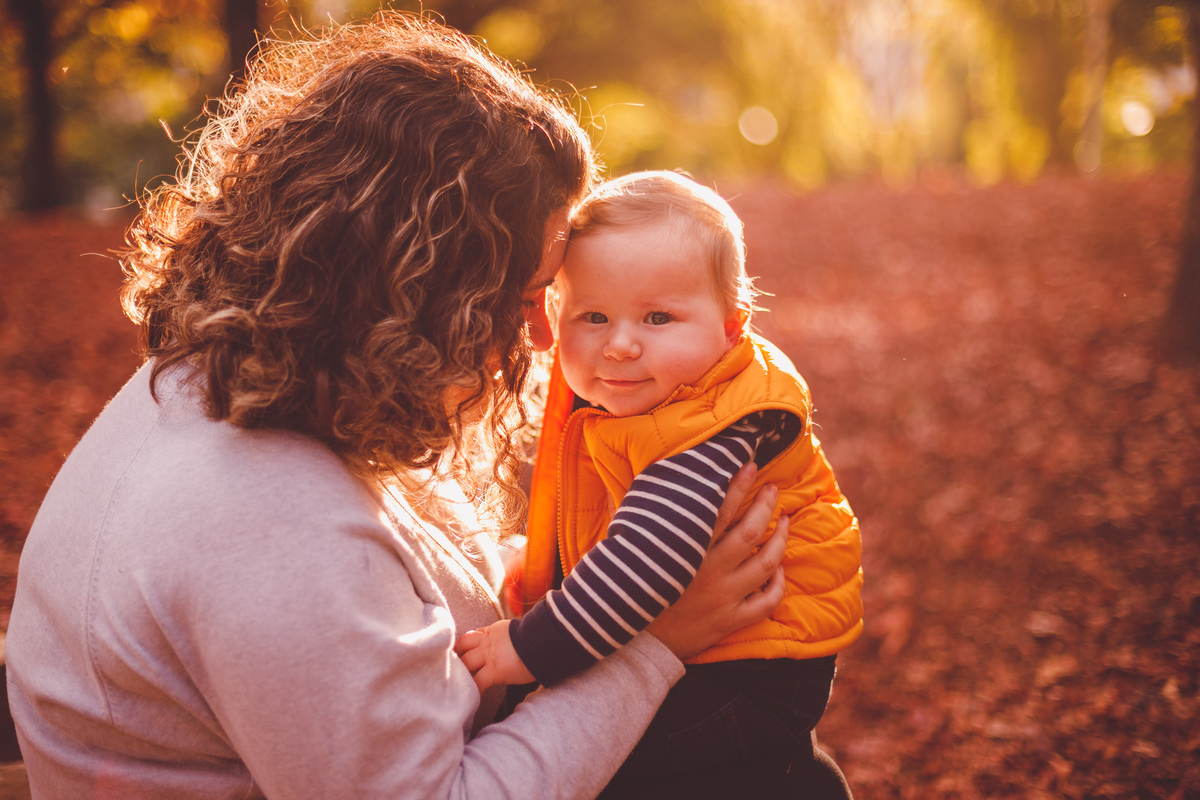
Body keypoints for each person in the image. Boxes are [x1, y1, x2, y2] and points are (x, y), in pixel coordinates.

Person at [4, 17, 792, 800]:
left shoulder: (271, 388)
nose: (546, 336)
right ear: (423, 290)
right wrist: (656, 645)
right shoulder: (266, 525)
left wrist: (596, 564)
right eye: (523, 297)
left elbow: (411, 586)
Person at [455, 171, 862, 797]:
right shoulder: (656, 402)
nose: (619, 344)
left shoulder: (713, 430)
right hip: (716, 651)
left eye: (657, 317)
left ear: (732, 326)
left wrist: (524, 649)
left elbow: (643, 561)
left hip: (752, 674)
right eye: (594, 315)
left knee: (600, 766)